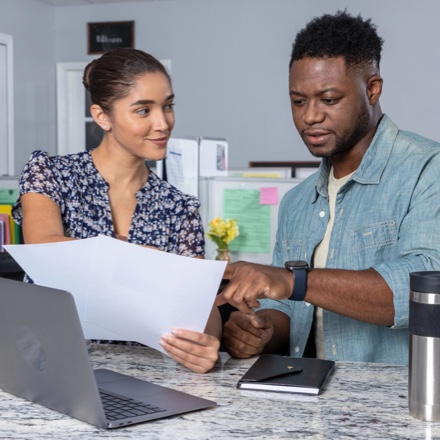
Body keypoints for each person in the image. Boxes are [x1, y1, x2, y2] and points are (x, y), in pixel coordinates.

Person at [218, 10, 440, 364]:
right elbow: (288, 311)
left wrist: (294, 281)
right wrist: (262, 331)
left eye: (329, 99)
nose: (310, 116)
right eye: (298, 101)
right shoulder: (297, 202)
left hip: (399, 407)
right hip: (311, 402)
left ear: (372, 88)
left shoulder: (428, 169)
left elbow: (425, 291)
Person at [12, 47, 220, 374]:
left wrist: (206, 344)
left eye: (168, 106)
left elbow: (201, 312)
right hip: (46, 370)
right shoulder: (50, 172)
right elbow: (44, 246)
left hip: (143, 378)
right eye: (143, 110)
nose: (162, 122)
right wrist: (148, 260)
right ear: (102, 117)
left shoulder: (180, 206)